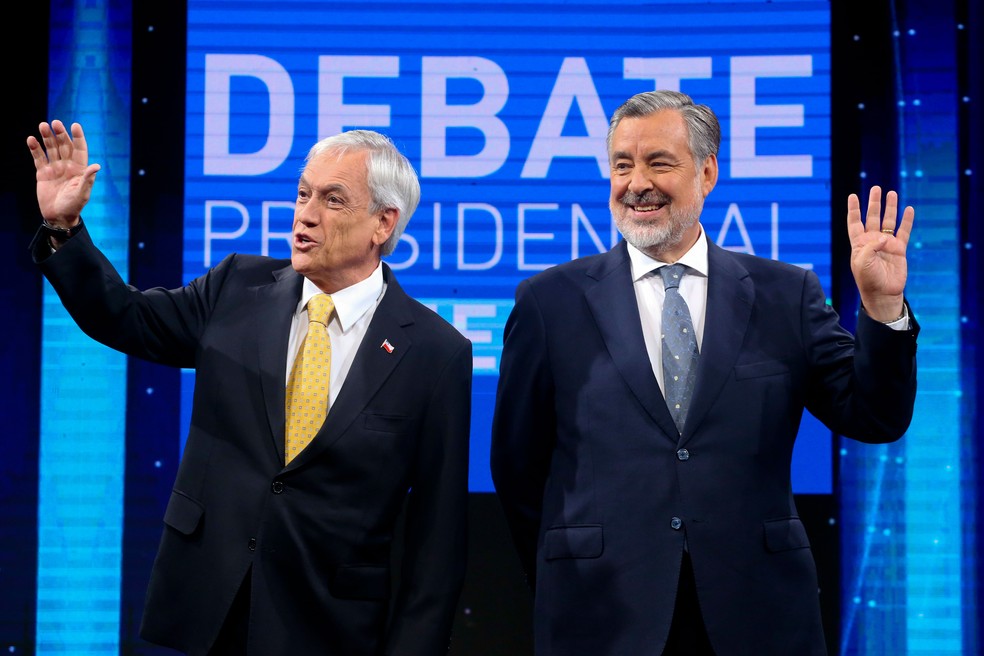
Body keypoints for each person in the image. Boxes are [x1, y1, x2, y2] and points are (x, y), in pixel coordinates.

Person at [490, 90, 917, 656]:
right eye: (622, 164)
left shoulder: (784, 294)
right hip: (600, 613)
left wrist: (883, 308)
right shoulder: (550, 301)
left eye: (659, 163)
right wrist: (564, 566)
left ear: (707, 172)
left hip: (758, 613)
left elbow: (874, 415)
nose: (636, 182)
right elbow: (518, 468)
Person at [28, 120, 472, 655]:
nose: (305, 215)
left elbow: (436, 539)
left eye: (333, 200)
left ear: (383, 223)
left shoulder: (434, 351)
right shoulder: (237, 287)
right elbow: (127, 317)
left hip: (333, 624)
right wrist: (65, 226)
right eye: (303, 193)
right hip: (211, 606)